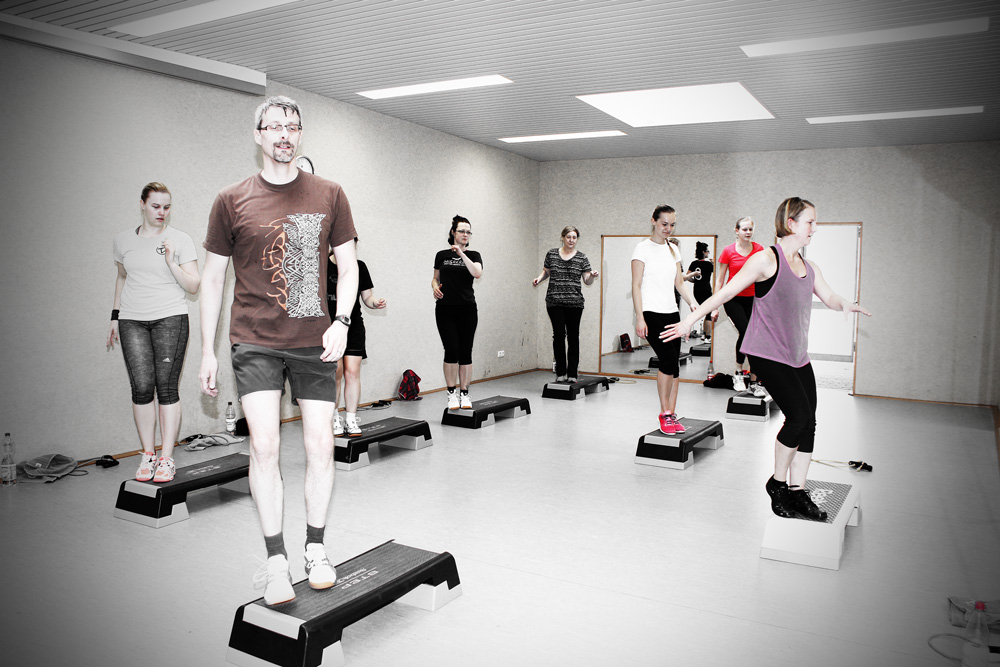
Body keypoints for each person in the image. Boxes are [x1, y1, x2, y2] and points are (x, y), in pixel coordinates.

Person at [199, 96, 358, 605]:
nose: (284, 134)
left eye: (292, 126)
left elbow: (348, 267)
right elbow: (212, 279)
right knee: (264, 447)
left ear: (300, 135)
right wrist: (207, 351)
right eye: (274, 127)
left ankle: (316, 549)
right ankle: (275, 560)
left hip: (314, 341)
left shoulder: (330, 193)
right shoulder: (231, 199)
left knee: (320, 445)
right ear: (259, 135)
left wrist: (342, 321)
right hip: (255, 340)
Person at [662, 197, 871, 521]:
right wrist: (691, 319)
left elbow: (829, 296)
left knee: (810, 423)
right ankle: (778, 485)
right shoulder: (765, 260)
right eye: (810, 222)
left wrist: (844, 303)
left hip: (797, 356)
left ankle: (798, 491)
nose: (815, 228)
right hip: (766, 353)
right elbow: (727, 292)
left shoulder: (811, 267)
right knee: (799, 418)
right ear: (791, 223)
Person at [108, 182, 200, 484]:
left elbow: (193, 286)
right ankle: (148, 455)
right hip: (132, 319)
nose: (162, 212)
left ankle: (167, 458)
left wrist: (171, 262)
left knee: (167, 387)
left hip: (170, 318)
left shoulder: (180, 239)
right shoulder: (123, 240)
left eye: (167, 207)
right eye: (156, 206)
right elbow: (122, 278)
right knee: (142, 388)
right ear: (142, 205)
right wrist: (114, 316)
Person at [631, 205, 698, 435]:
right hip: (651, 313)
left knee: (674, 365)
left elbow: (679, 282)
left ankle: (672, 413)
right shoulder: (642, 249)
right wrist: (640, 318)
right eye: (664, 224)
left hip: (672, 313)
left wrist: (692, 303)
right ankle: (664, 413)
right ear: (653, 221)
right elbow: (636, 285)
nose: (668, 228)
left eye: (672, 224)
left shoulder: (673, 249)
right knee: (667, 361)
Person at [327, 242, 386, 436]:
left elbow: (367, 297)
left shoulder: (359, 266)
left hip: (354, 327)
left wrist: (375, 302)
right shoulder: (322, 265)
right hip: (331, 327)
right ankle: (334, 417)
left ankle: (351, 419)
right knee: (336, 372)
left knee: (352, 372)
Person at [532, 226, 599, 382]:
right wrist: (538, 279)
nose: (571, 240)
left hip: (574, 303)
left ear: (577, 239)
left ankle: (572, 374)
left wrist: (592, 276)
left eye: (574, 237)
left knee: (573, 336)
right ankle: (560, 372)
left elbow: (587, 281)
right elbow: (546, 271)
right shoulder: (552, 254)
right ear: (562, 237)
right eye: (568, 237)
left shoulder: (582, 257)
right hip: (554, 301)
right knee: (558, 335)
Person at [431, 215, 483, 409]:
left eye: (468, 232)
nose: (465, 234)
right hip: (445, 309)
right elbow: (435, 278)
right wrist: (434, 287)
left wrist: (461, 253)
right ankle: (451, 393)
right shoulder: (441, 255)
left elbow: (477, 273)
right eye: (461, 231)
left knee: (466, 352)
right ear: (453, 232)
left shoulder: (474, 255)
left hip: (467, 309)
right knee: (451, 350)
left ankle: (465, 393)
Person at [715, 216, 765, 393]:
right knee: (746, 331)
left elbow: (763, 275)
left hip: (753, 299)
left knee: (754, 338)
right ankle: (738, 373)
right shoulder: (728, 251)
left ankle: (754, 381)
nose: (748, 232)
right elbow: (720, 280)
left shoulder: (759, 249)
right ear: (737, 231)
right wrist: (714, 306)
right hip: (733, 298)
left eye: (750, 229)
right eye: (744, 229)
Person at [688, 241, 714, 341]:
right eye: (707, 251)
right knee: (709, 313)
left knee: (706, 312)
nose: (709, 253)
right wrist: (713, 263)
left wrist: (695, 281)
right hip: (706, 290)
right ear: (703, 252)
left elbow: (688, 277)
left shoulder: (694, 263)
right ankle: (707, 336)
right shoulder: (709, 264)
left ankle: (704, 335)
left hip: (697, 291)